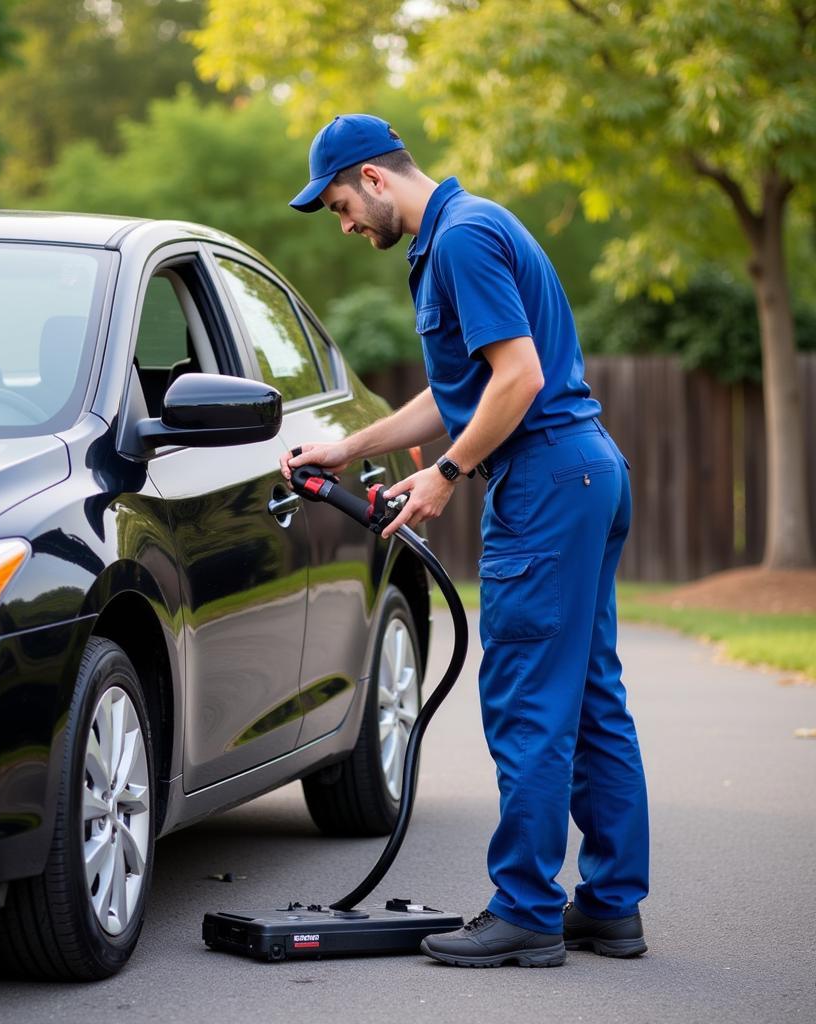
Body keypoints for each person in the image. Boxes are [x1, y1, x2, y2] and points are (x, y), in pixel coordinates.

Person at [281, 114, 649, 968]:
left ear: (374, 178)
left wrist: (447, 473)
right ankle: (610, 906)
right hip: (585, 470)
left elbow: (516, 379)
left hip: (549, 482)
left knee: (529, 702)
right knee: (591, 698)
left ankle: (525, 909)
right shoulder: (468, 227)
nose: (344, 225)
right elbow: (467, 392)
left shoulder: (461, 242)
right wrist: (348, 446)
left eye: (340, 204)